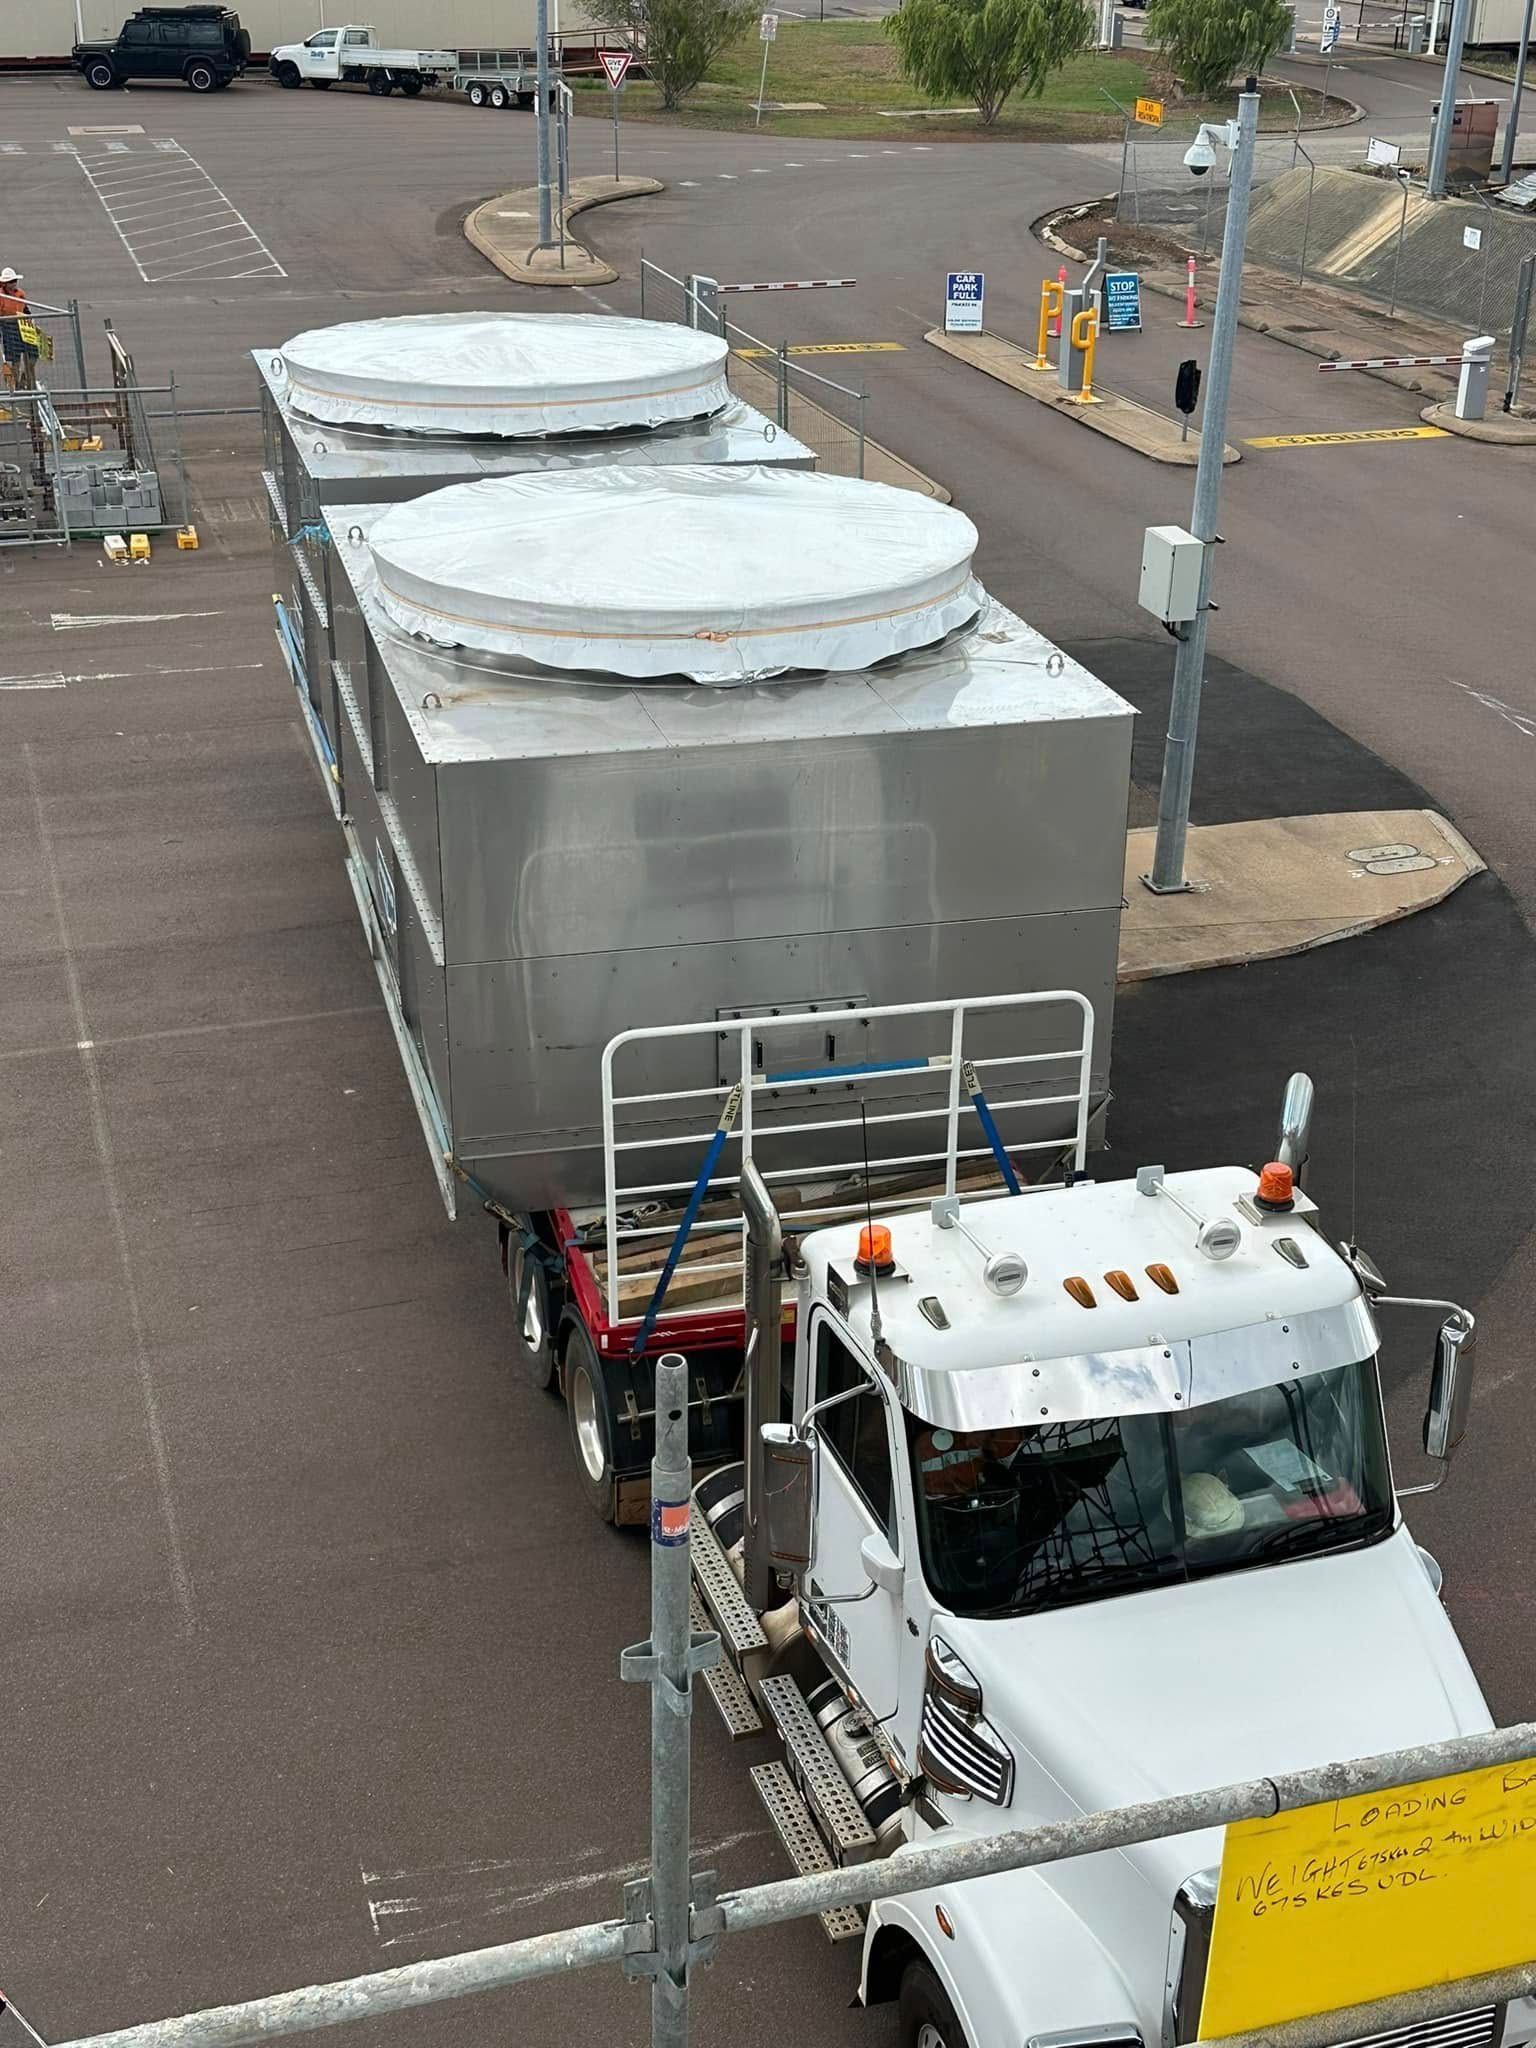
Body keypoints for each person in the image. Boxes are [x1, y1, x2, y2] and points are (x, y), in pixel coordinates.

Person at [0, 268, 38, 391]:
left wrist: (30, 320)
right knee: (15, 361)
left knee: (33, 356)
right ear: (5, 283)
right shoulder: (1, 296)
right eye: (11, 281)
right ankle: (16, 385)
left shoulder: (20, 293)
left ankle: (24, 377)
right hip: (8, 328)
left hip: (22, 326)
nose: (14, 284)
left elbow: (25, 309)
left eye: (15, 281)